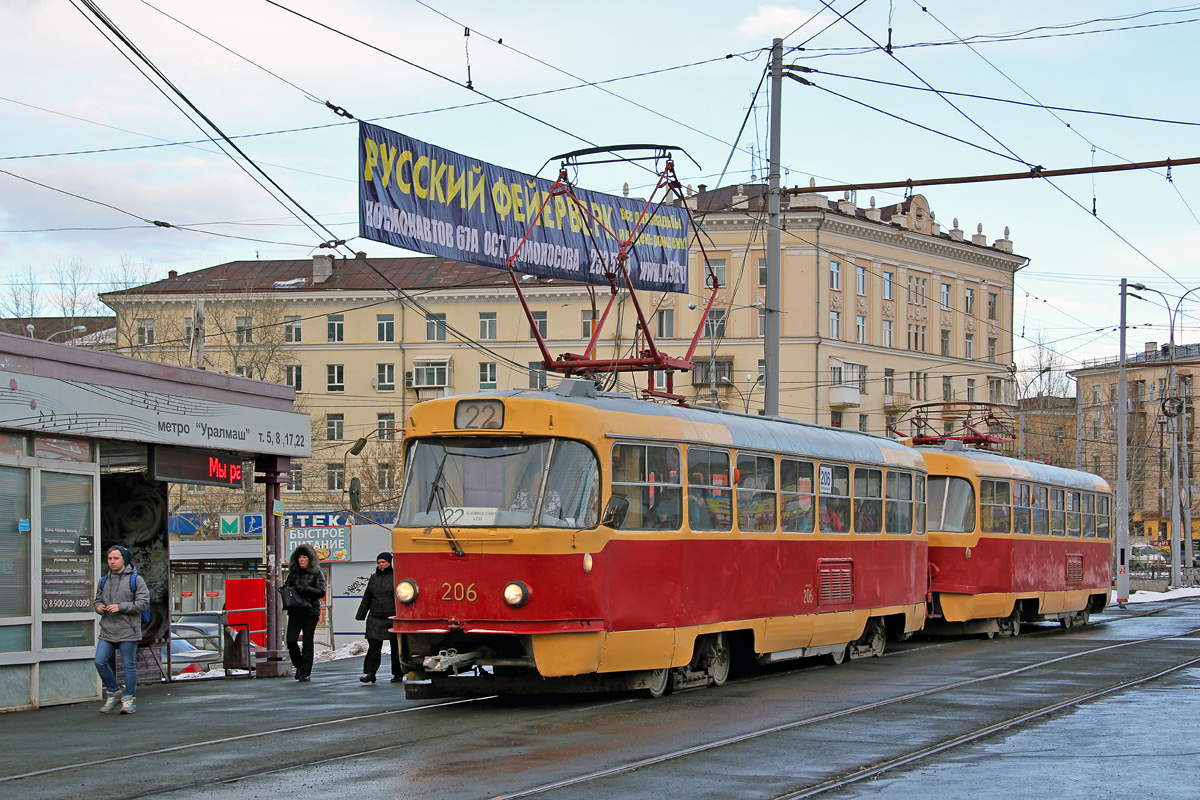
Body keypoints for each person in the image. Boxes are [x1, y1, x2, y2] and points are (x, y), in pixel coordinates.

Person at [94, 544, 149, 714]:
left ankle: (129, 699)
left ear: (124, 560)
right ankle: (114, 693)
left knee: (128, 665)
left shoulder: (135, 580)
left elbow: (143, 603)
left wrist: (121, 607)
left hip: (128, 629)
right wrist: (99, 607)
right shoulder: (104, 580)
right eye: (110, 558)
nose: (112, 562)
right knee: (99, 661)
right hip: (108, 629)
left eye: (116, 558)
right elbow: (96, 600)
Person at [356, 552, 402, 684]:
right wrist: (361, 615)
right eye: (379, 562)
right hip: (375, 617)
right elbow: (367, 598)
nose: (381, 565)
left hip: (392, 617)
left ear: (390, 562)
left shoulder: (397, 577)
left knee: (395, 647)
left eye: (383, 562)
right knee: (374, 646)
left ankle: (397, 674)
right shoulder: (374, 578)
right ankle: (370, 673)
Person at [283, 544, 326, 682]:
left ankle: (305, 671)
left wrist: (305, 589)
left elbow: (321, 592)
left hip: (310, 611)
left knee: (308, 642)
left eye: (304, 557)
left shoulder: (316, 573)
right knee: (290, 640)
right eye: (300, 557)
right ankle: (299, 665)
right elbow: (287, 587)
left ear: (310, 559)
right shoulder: (293, 573)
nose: (302, 560)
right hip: (295, 611)